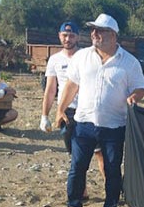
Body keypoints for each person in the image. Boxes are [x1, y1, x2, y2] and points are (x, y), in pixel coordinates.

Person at [55, 13, 144, 207]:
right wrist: (60, 110)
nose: (94, 34)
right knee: (77, 166)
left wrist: (135, 96)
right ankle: (74, 206)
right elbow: (71, 85)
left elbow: (140, 87)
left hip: (115, 125)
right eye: (92, 30)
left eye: (100, 30)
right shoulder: (82, 57)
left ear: (113, 35)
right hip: (84, 122)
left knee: (112, 168)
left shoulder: (129, 62)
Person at [40, 21, 105, 193]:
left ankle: (112, 189)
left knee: (101, 154)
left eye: (71, 35)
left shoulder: (87, 55)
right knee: (77, 157)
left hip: (89, 110)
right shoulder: (54, 60)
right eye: (64, 35)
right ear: (59, 36)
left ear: (78, 37)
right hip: (67, 112)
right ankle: (81, 192)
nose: (68, 39)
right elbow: (50, 89)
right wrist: (45, 116)